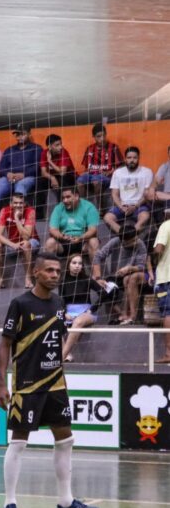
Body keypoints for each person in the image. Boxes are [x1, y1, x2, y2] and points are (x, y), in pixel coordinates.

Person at [0, 252, 100, 508]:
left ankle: (66, 504)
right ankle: (9, 504)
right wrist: (1, 383)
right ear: (36, 272)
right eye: (49, 270)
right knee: (19, 441)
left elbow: (59, 338)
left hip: (55, 383)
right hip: (27, 385)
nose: (55, 275)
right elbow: (5, 345)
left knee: (65, 439)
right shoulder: (20, 304)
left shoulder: (58, 302)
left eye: (57, 271)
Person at [0, 123, 43, 218]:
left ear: (29, 134)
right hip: (9, 178)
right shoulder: (9, 150)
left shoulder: (36, 148)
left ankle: (19, 217)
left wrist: (23, 174)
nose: (19, 137)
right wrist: (7, 174)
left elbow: (37, 167)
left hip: (26, 177)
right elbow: (1, 168)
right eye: (17, 134)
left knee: (20, 186)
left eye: (22, 134)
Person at [91, 224, 147, 325]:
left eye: (136, 238)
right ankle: (122, 315)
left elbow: (142, 266)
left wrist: (130, 268)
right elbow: (98, 256)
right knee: (106, 288)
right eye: (133, 241)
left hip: (134, 274)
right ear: (123, 241)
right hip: (117, 276)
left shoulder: (140, 244)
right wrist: (98, 278)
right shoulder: (116, 241)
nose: (136, 241)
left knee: (128, 279)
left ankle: (132, 316)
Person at [60, 254, 109, 363]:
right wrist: (64, 313)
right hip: (69, 313)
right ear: (68, 265)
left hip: (86, 313)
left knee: (78, 321)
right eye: (74, 263)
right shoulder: (63, 281)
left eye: (80, 263)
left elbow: (104, 294)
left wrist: (92, 309)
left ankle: (63, 355)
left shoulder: (87, 279)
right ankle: (68, 355)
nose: (77, 266)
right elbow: (60, 300)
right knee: (54, 322)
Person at [0, 193, 40, 290]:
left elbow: (26, 236)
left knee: (25, 244)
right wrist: (13, 245)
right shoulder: (4, 211)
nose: (18, 205)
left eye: (21, 203)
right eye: (15, 203)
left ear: (24, 204)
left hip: (32, 241)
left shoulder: (30, 211)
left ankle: (28, 279)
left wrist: (17, 218)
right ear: (11, 203)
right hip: (13, 243)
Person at [104, 146, 153, 235]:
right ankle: (124, 234)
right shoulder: (118, 173)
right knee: (107, 218)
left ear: (138, 158)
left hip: (140, 205)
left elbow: (147, 194)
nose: (132, 160)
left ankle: (131, 235)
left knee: (145, 217)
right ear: (125, 159)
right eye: (129, 158)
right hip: (122, 206)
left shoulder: (147, 172)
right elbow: (114, 194)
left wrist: (135, 206)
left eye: (135, 158)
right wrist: (121, 207)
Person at [44, 186, 100, 262]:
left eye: (68, 197)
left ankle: (96, 270)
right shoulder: (58, 208)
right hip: (64, 242)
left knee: (94, 241)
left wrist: (80, 238)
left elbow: (93, 230)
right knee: (50, 242)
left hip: (83, 242)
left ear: (76, 196)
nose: (65, 200)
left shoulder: (88, 207)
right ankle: (48, 269)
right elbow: (53, 230)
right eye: (63, 198)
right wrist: (62, 236)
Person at [77, 123, 123, 202]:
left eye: (103, 135)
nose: (102, 138)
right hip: (91, 175)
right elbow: (87, 167)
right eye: (98, 136)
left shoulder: (113, 147)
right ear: (93, 137)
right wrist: (86, 172)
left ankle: (98, 205)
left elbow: (121, 166)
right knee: (80, 181)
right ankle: (83, 204)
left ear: (106, 134)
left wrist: (110, 172)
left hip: (106, 177)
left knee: (96, 181)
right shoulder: (89, 148)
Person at [153, 215, 170, 364]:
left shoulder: (166, 225)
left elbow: (158, 249)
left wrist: (153, 260)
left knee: (168, 314)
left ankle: (169, 353)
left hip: (167, 277)